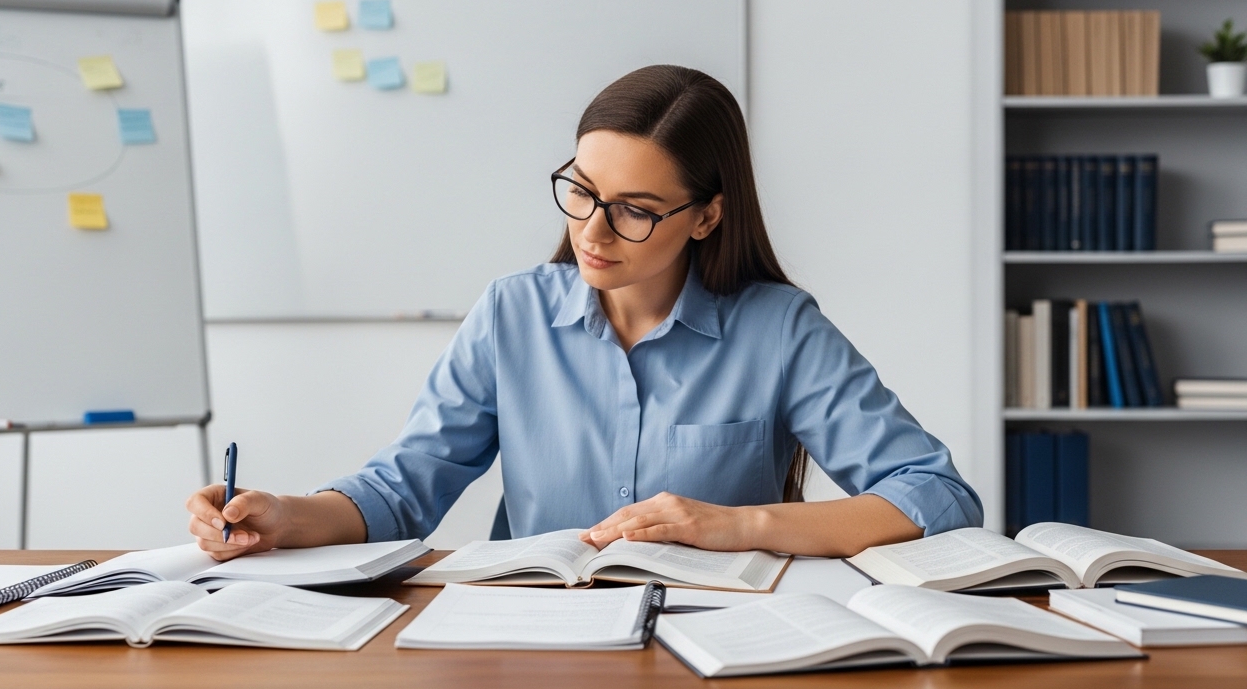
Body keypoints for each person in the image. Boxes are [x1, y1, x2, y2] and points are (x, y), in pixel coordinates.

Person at [186, 65, 982, 561]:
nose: (592, 232)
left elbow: (937, 493)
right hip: (539, 641)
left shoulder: (778, 328)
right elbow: (403, 492)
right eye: (583, 191)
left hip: (717, 644)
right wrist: (284, 515)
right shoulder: (512, 314)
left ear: (706, 216)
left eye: (635, 209)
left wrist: (739, 525)